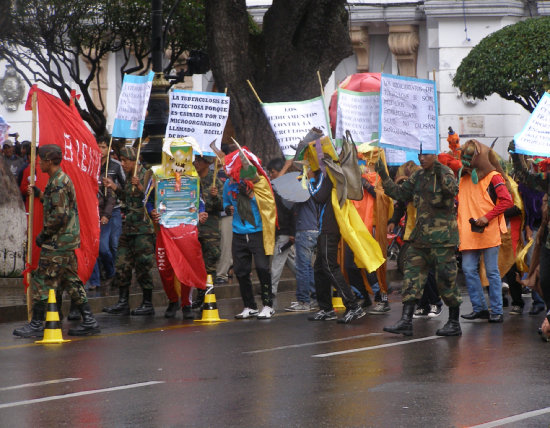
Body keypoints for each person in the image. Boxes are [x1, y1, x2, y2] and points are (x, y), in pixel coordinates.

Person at [13, 144, 100, 337]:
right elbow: (58, 205)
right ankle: (90, 320)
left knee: (41, 279)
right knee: (71, 280)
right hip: (66, 242)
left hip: (57, 243)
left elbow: (59, 215)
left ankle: (36, 324)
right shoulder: (58, 180)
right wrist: (40, 194)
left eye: (41, 159)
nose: (39, 163)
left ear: (49, 161)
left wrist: (43, 235)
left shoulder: (59, 182)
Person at [375, 152, 462, 336]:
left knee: (446, 281)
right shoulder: (417, 175)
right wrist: (384, 176)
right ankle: (406, 320)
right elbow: (401, 193)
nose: (421, 159)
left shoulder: (445, 172)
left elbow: (452, 191)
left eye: (426, 155)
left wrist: (438, 168)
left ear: (434, 156)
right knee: (411, 277)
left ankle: (454, 322)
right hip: (420, 239)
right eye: (420, 155)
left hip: (442, 240)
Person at [458, 140, 513, 323]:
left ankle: (496, 311)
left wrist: (487, 217)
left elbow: (507, 201)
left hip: (488, 231)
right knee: (467, 269)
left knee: (491, 272)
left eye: (469, 158)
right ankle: (480, 308)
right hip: (468, 232)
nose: (465, 162)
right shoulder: (463, 178)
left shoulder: (494, 177)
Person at [102, 146, 156, 316]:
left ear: (134, 160)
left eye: (125, 160)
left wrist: (141, 187)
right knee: (122, 265)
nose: (122, 163)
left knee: (143, 266)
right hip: (129, 228)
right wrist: (114, 187)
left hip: (143, 229)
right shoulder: (127, 177)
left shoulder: (148, 174)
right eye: (122, 160)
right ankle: (123, 302)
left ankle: (147, 303)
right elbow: (127, 197)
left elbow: (154, 198)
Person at [223, 147, 276, 320]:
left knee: (262, 267)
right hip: (238, 232)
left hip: (257, 232)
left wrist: (252, 194)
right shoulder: (228, 184)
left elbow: (269, 204)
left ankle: (268, 304)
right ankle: (249, 306)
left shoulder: (259, 181)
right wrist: (227, 207)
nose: (231, 173)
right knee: (241, 271)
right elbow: (225, 202)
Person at [307, 168, 366, 324]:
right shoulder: (325, 172)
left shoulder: (327, 173)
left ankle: (353, 306)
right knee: (319, 268)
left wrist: (310, 179)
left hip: (329, 228)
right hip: (324, 227)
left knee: (329, 266)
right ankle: (326, 309)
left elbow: (319, 196)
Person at [509, 140, 550, 333]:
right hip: (546, 237)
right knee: (545, 278)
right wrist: (516, 155)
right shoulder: (546, 179)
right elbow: (525, 178)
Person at [267, 158, 296, 299]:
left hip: (286, 231)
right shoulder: (278, 188)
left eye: (272, 172)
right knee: (294, 263)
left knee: (277, 263)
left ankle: (271, 291)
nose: (270, 175)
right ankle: (312, 286)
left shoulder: (288, 188)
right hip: (281, 230)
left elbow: (293, 213)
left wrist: (292, 232)